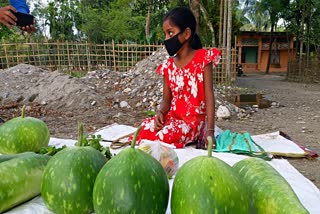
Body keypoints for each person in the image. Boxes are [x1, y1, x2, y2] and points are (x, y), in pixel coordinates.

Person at [135, 7, 221, 149]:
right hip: (174, 120)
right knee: (144, 128)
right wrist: (160, 113)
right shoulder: (168, 66)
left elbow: (209, 96)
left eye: (170, 33)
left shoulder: (203, 59)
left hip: (193, 124)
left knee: (164, 136)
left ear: (186, 33)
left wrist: (210, 131)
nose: (167, 39)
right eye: (165, 34)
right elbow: (166, 100)